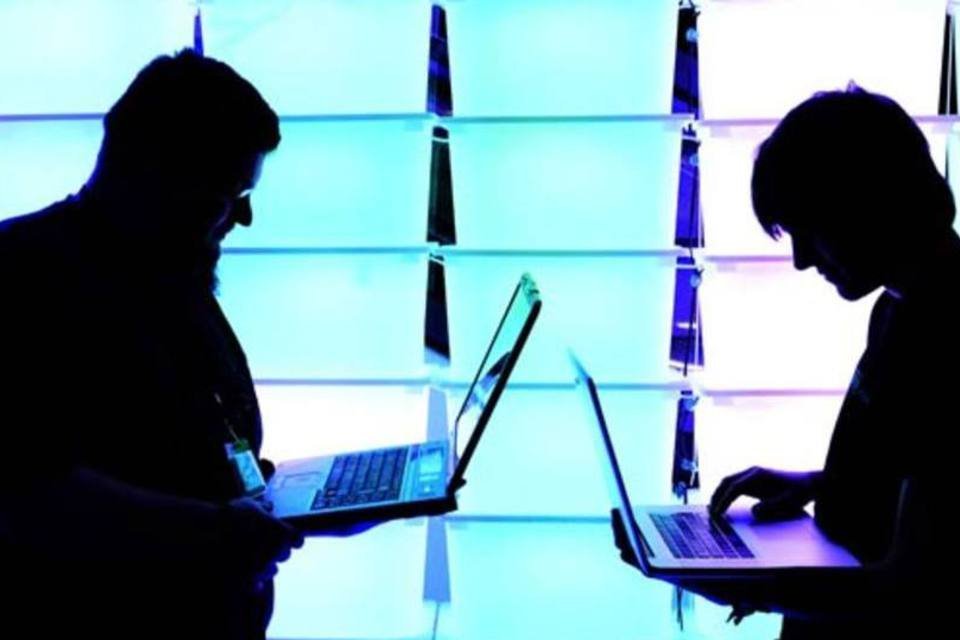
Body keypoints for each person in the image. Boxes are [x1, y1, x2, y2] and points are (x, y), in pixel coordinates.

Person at [0, 50, 360, 639]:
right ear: (155, 174)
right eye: (228, 194)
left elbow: (185, 447)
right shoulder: (22, 277)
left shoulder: (169, 270)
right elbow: (33, 497)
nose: (243, 218)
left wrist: (284, 503)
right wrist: (219, 531)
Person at [613, 86, 958, 638]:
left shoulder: (950, 336)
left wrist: (743, 583)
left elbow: (907, 589)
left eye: (809, 230)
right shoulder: (899, 307)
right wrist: (824, 483)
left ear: (867, 206)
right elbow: (920, 479)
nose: (800, 260)